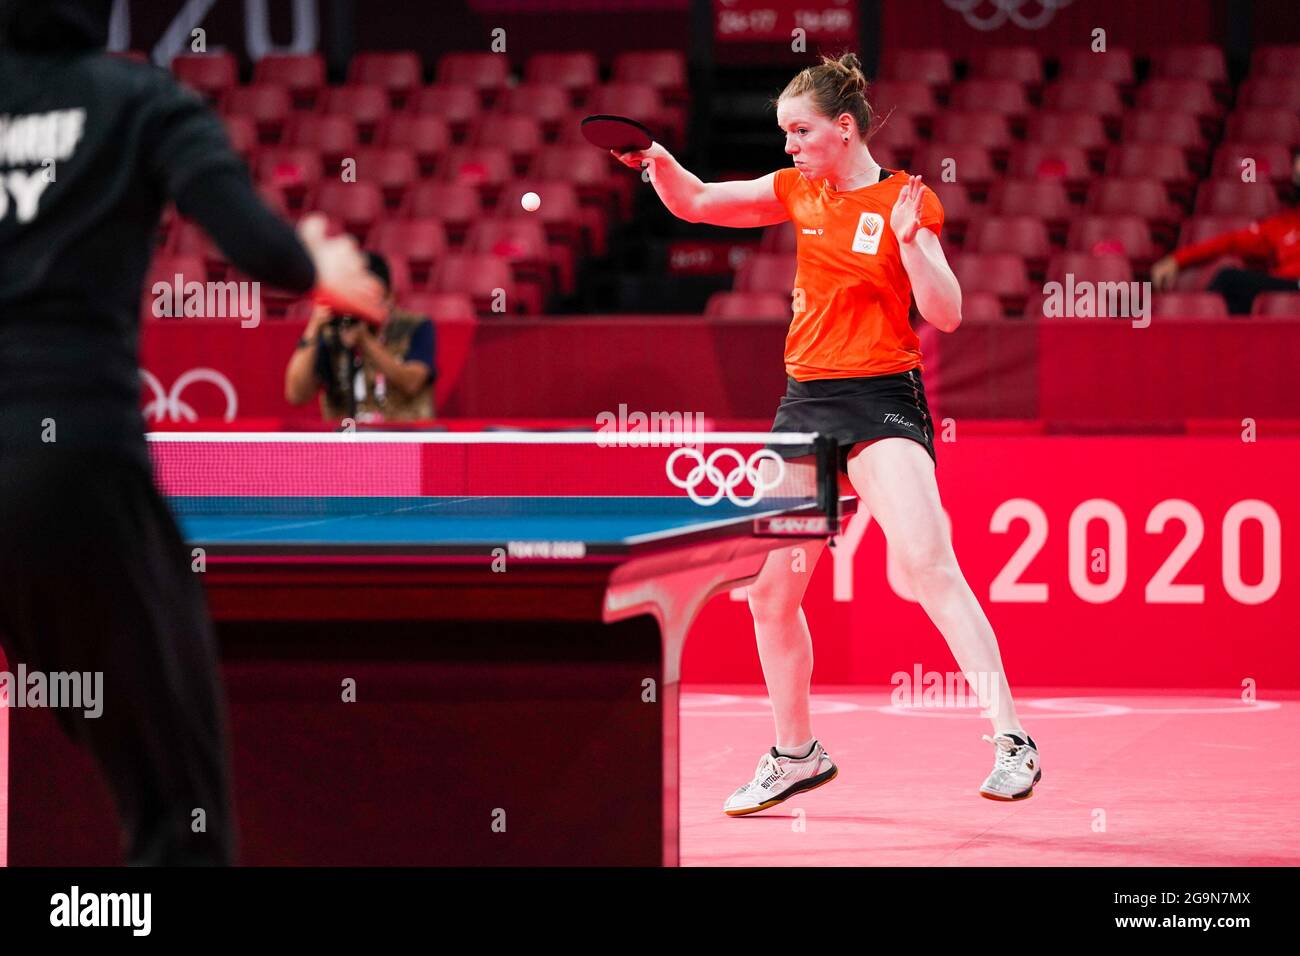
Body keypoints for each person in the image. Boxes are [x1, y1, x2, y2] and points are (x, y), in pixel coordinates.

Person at [0, 0, 383, 864]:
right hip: (74, 482)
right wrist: (320, 263)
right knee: (180, 815)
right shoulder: (141, 102)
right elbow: (265, 250)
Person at [611, 52, 1040, 815]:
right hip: (806, 403)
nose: (789, 145)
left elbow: (947, 313)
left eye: (800, 130)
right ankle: (797, 754)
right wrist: (659, 162)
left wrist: (911, 242)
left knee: (927, 561)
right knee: (771, 594)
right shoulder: (798, 190)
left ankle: (1012, 739)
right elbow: (703, 202)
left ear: (844, 129)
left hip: (881, 400)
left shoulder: (909, 199)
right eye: (784, 132)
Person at [284, 251, 437, 422]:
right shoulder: (332, 332)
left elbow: (411, 382)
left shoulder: (414, 326)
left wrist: (365, 342)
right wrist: (313, 327)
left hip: (402, 437)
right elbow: (296, 395)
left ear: (389, 297)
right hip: (346, 439)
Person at [1151, 148, 1300, 313]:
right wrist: (1177, 259)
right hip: (1289, 286)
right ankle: (1217, 335)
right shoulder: (1282, 225)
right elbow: (1230, 242)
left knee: (1230, 279)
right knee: (1231, 284)